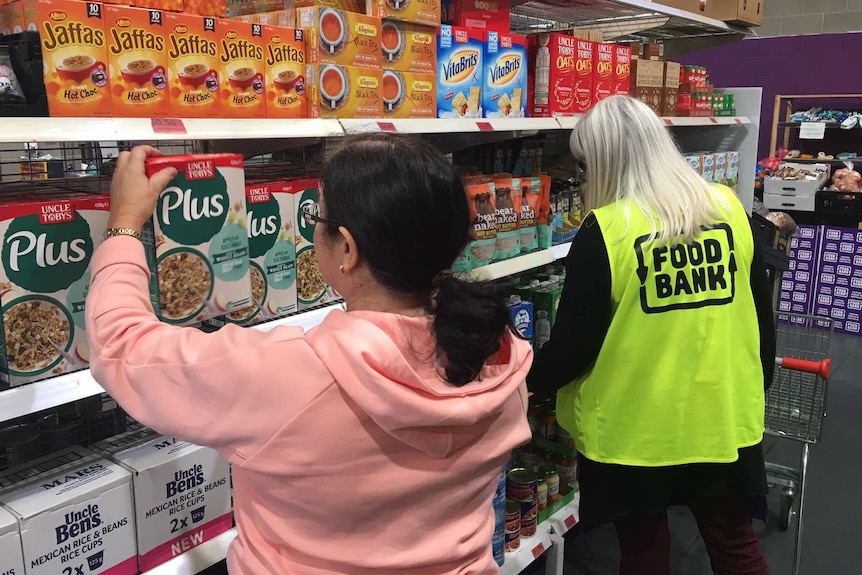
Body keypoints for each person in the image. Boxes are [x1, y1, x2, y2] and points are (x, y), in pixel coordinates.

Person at [85, 133, 532, 575]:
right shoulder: (501, 357)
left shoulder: (288, 376)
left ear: (348, 250)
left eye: (319, 218)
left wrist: (124, 223)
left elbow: (123, 345)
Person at [527, 96, 775, 575]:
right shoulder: (730, 209)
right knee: (735, 544)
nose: (580, 180)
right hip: (722, 416)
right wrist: (753, 391)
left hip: (634, 431)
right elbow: (762, 321)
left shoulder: (608, 229)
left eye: (584, 166)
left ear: (606, 162)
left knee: (643, 552)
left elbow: (576, 345)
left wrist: (525, 377)